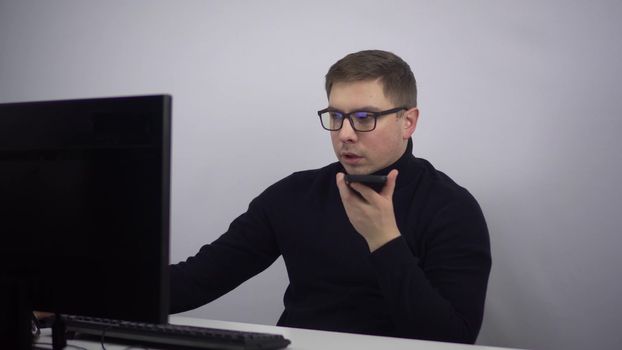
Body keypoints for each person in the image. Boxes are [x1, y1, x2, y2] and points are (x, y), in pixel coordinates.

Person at [169, 49, 491, 344]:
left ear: (407, 122)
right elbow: (197, 280)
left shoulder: (452, 209)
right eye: (336, 116)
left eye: (365, 118)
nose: (345, 134)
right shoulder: (293, 195)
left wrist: (385, 241)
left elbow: (453, 340)